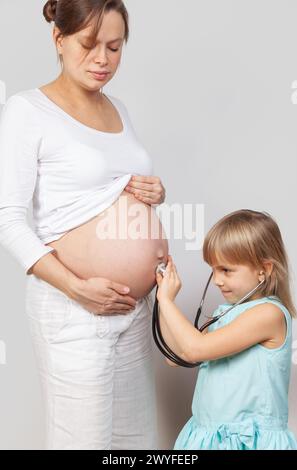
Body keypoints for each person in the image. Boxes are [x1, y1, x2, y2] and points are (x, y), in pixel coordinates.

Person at [0, 0, 168, 450]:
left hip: (133, 311)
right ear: (58, 38)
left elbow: (109, 190)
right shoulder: (27, 110)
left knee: (137, 445)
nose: (102, 59)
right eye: (89, 45)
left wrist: (155, 194)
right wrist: (76, 288)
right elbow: (8, 219)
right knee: (83, 443)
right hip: (73, 308)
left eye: (114, 47)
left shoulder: (120, 109)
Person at [156, 210, 297, 450]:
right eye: (213, 270)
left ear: (264, 269)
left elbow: (194, 349)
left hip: (247, 442)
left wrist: (168, 302)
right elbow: (176, 355)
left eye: (226, 270)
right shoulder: (226, 314)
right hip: (210, 438)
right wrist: (163, 301)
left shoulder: (269, 314)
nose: (216, 280)